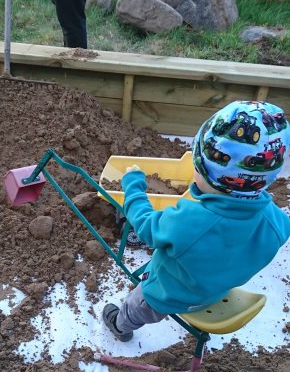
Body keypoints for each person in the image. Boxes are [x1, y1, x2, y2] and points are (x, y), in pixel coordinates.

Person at [102, 100, 290, 342]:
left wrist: (134, 188)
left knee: (136, 304)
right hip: (219, 287)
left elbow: (147, 226)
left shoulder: (189, 222)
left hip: (172, 293)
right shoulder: (278, 222)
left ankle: (121, 326)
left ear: (213, 177)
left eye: (197, 167)